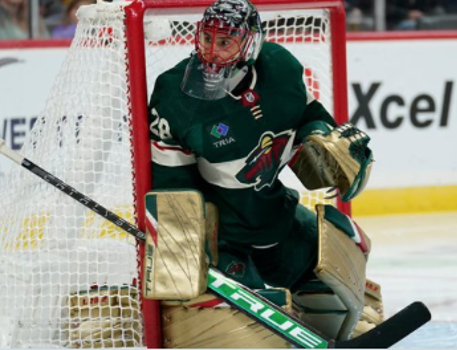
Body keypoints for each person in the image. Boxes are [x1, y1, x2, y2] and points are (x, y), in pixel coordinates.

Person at [147, 0, 378, 341]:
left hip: (274, 216)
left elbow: (305, 116)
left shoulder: (279, 65)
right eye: (207, 39)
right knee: (247, 331)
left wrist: (325, 142)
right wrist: (187, 250)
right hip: (223, 238)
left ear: (251, 42)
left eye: (224, 42)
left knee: (342, 267)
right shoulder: (174, 97)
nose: (211, 52)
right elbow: (171, 186)